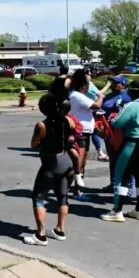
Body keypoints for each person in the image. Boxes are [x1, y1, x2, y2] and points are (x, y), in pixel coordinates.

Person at [101, 81, 139, 222]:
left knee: (121, 176)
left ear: (132, 92)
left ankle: (117, 211)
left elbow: (117, 122)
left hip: (135, 142)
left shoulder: (132, 105)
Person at [24, 94, 75, 246]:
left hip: (51, 163)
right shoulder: (69, 120)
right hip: (66, 160)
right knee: (63, 196)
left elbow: (34, 145)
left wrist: (41, 144)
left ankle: (40, 235)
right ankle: (60, 230)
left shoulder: (42, 125)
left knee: (39, 197)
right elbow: (72, 137)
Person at [68, 70, 103, 196]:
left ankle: (78, 190)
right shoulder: (77, 96)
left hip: (85, 132)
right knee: (78, 161)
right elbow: (96, 106)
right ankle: (68, 189)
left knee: (82, 162)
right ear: (83, 86)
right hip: (80, 132)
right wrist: (101, 97)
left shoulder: (77, 95)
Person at [100, 75, 132, 192]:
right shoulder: (107, 97)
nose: (114, 84)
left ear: (123, 84)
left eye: (117, 82)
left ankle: (128, 186)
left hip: (125, 133)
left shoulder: (129, 97)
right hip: (110, 133)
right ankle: (113, 183)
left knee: (126, 160)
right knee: (113, 159)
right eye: (113, 82)